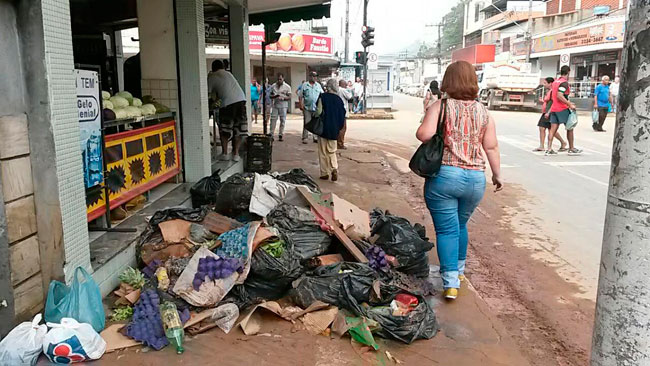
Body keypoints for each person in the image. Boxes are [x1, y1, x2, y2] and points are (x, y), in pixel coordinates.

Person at [415, 61, 503, 300]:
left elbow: (423, 135)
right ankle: (460, 272)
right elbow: (491, 147)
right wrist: (496, 175)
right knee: (461, 225)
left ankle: (451, 283)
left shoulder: (440, 106)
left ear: (448, 82)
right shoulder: (484, 112)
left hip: (445, 177)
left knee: (446, 230)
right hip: (475, 180)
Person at [208, 59, 247, 162]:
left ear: (213, 68)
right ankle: (236, 154)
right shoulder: (228, 74)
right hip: (241, 101)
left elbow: (207, 93)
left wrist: (211, 105)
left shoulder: (212, 76)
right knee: (238, 128)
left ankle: (225, 153)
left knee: (225, 129)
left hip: (228, 104)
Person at [547, 65, 582, 156]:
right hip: (562, 108)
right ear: (568, 72)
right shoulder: (564, 83)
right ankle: (571, 148)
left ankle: (549, 148)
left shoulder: (555, 82)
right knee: (570, 128)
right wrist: (569, 104)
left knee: (553, 129)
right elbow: (560, 95)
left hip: (554, 108)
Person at [315, 78, 346, 181]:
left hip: (323, 128)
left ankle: (324, 173)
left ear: (327, 87)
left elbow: (318, 112)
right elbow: (342, 115)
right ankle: (334, 168)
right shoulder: (339, 100)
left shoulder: (322, 97)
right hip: (334, 129)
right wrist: (339, 127)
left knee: (322, 151)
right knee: (332, 150)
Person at [534, 77, 567, 152]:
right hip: (546, 111)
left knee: (550, 130)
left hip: (550, 112)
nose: (544, 85)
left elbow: (553, 102)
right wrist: (543, 102)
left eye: (545, 83)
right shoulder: (549, 91)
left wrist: (548, 112)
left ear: (550, 83)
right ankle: (542, 145)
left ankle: (561, 143)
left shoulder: (553, 91)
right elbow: (548, 102)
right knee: (543, 128)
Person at [299, 71, 324, 144]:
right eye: (313, 76)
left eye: (316, 76)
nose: (314, 77)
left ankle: (315, 137)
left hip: (316, 108)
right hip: (307, 107)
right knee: (307, 122)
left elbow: (322, 95)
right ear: (310, 76)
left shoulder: (318, 85)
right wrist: (301, 104)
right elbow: (300, 96)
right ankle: (305, 137)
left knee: (315, 122)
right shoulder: (305, 85)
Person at [269, 73, 292, 141]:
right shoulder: (273, 86)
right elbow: (270, 96)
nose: (279, 81)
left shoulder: (287, 87)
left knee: (282, 120)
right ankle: (271, 134)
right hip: (275, 105)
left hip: (283, 105)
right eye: (278, 79)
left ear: (283, 79)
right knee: (273, 119)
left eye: (280, 79)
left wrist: (283, 98)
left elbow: (290, 97)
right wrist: (275, 96)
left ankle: (280, 134)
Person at [337, 79, 353, 149]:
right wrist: (349, 89)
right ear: (342, 84)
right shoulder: (343, 90)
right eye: (345, 84)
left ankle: (337, 142)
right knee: (343, 128)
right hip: (343, 111)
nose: (346, 85)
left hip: (337, 111)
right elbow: (350, 97)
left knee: (338, 128)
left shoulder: (337, 90)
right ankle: (340, 144)